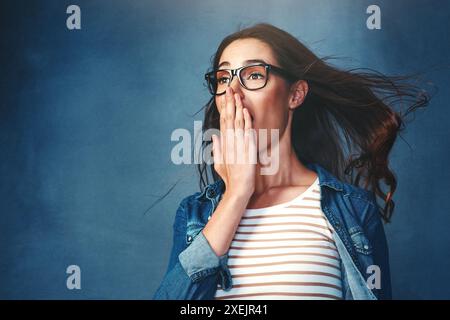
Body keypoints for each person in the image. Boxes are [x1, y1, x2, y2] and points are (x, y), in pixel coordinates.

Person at [153, 23, 429, 300]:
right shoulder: (194, 214)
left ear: (295, 95)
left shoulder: (355, 210)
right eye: (224, 78)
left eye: (254, 75)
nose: (233, 91)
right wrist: (236, 194)